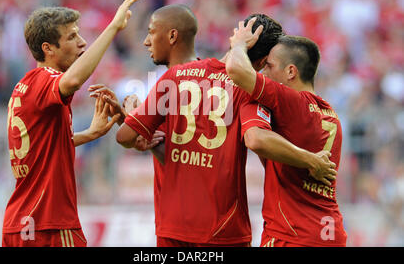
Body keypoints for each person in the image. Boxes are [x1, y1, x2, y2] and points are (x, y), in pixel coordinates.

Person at [115, 14, 337, 247]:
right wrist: (310, 160)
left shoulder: (176, 76)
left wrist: (135, 124)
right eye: (269, 65)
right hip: (225, 228)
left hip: (172, 225)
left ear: (236, 36)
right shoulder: (250, 95)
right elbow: (258, 141)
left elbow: (127, 137)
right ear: (262, 62)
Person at [2, 0, 140, 247]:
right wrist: (113, 27)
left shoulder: (24, 86)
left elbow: (39, 147)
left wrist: (89, 134)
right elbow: (74, 81)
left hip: (19, 224)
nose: (82, 43)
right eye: (72, 37)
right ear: (48, 49)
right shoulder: (46, 82)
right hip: (49, 224)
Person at [225, 21, 347, 246]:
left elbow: (236, 70)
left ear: (291, 71)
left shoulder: (292, 102)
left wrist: (239, 45)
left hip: (293, 233)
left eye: (269, 66)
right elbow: (281, 164)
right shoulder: (331, 116)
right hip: (329, 232)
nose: (263, 71)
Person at [89, 4, 199, 239]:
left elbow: (167, 158)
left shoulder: (168, 85)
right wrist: (129, 120)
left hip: (179, 221)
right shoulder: (213, 81)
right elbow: (175, 154)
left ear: (172, 36)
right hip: (214, 219)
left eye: (151, 32)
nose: (146, 42)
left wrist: (127, 119)